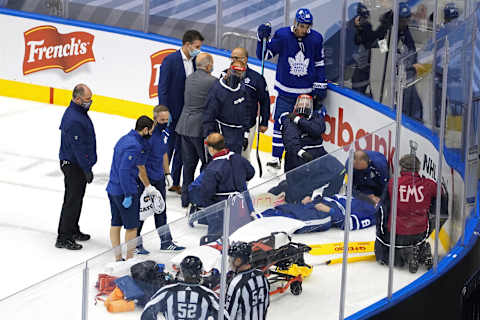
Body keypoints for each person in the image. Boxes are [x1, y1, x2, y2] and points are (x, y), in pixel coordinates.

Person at [257, 8, 327, 172]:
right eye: (301, 25)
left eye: (307, 26)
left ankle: (300, 159)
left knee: (303, 127)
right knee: (280, 123)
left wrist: (320, 84)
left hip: (306, 94)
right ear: (295, 23)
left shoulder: (316, 38)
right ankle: (275, 158)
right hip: (286, 92)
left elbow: (319, 64)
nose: (304, 30)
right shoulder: (282, 35)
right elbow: (264, 55)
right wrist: (261, 38)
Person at [375, 154, 447, 273]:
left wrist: (381, 231)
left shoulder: (392, 184)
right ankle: (421, 250)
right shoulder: (430, 184)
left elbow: (382, 211)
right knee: (419, 232)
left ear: (402, 168)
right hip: (420, 231)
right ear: (418, 168)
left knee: (384, 255)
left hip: (398, 233)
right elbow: (441, 205)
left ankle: (409, 253)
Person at [106, 116, 162, 261]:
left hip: (112, 188)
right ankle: (129, 259)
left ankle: (118, 258)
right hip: (124, 191)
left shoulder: (124, 139)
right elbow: (124, 171)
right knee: (132, 227)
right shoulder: (134, 146)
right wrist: (129, 194)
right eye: (151, 130)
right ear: (145, 130)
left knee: (116, 222)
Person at [158, 30, 204, 194]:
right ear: (187, 45)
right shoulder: (170, 61)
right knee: (168, 148)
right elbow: (162, 88)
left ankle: (175, 182)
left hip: (187, 115)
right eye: (197, 46)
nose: (199, 50)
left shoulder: (195, 62)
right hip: (172, 114)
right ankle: (160, 179)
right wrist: (164, 111)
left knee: (182, 149)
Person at [136, 106, 185, 254]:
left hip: (159, 178)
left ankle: (166, 241)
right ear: (155, 118)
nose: (165, 122)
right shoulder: (148, 136)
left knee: (161, 210)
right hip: (146, 180)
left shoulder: (165, 132)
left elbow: (164, 152)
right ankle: (136, 243)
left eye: (166, 119)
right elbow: (140, 163)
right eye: (162, 120)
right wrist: (147, 184)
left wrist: (167, 173)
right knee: (142, 212)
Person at [189, 133, 255, 241]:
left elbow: (207, 193)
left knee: (216, 240)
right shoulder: (239, 159)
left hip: (220, 209)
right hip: (240, 204)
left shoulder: (212, 168)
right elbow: (251, 172)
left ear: (211, 148)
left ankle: (200, 215)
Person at [56, 84, 97, 250]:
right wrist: (86, 169)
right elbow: (78, 148)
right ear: (78, 99)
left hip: (78, 164)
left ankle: (72, 229)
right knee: (72, 200)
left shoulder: (79, 112)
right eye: (87, 99)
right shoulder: (73, 119)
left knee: (77, 198)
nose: (90, 102)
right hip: (74, 165)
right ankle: (64, 236)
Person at [176, 53, 216, 208]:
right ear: (208, 66)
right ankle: (200, 198)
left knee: (188, 165)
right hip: (200, 129)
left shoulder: (189, 78)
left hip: (184, 126)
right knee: (207, 164)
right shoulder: (213, 82)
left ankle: (185, 199)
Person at [141, 256, 229, 320]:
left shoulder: (167, 291)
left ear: (182, 271)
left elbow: (147, 312)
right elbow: (224, 316)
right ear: (200, 272)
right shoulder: (208, 294)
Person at [227, 47, 270, 161]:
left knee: (244, 158)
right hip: (227, 125)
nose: (232, 60)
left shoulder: (257, 78)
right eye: (231, 57)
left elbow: (265, 101)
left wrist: (264, 121)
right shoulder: (225, 74)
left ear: (245, 59)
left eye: (235, 58)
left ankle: (243, 179)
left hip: (248, 126)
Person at [259, 192, 377, 233]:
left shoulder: (370, 211)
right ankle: (257, 217)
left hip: (325, 215)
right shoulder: (356, 197)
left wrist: (329, 211)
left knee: (294, 220)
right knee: (284, 208)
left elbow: (348, 224)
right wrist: (313, 200)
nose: (373, 196)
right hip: (319, 204)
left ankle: (261, 224)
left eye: (377, 198)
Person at [203, 61, 250, 154]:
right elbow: (208, 117)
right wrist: (211, 137)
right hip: (222, 136)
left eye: (241, 73)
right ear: (229, 71)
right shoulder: (217, 90)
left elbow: (246, 113)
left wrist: (246, 135)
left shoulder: (243, 88)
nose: (238, 75)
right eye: (235, 72)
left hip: (238, 138)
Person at [351, 3, 390, 96]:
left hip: (375, 67)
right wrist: (359, 29)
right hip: (363, 66)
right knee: (357, 92)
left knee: (376, 93)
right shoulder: (362, 28)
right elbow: (358, 41)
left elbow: (383, 46)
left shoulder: (380, 27)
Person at [281, 94, 327, 173]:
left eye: (307, 103)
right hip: (298, 157)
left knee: (337, 169)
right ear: (296, 105)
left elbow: (317, 130)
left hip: (318, 153)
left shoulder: (316, 117)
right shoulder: (289, 120)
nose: (304, 105)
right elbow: (290, 141)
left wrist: (299, 120)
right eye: (301, 103)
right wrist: (302, 153)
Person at [226, 241, 270, 320]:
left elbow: (228, 316)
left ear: (238, 261)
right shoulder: (262, 276)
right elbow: (266, 303)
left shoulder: (236, 284)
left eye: (230, 259)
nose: (229, 262)